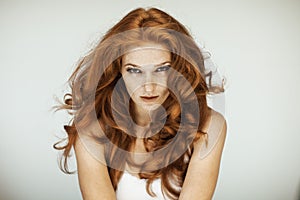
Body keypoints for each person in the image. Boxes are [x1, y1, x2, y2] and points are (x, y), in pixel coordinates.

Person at [53, 7, 227, 200]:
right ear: (117, 72)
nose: (148, 87)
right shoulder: (91, 131)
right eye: (134, 71)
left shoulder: (209, 126)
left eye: (161, 69)